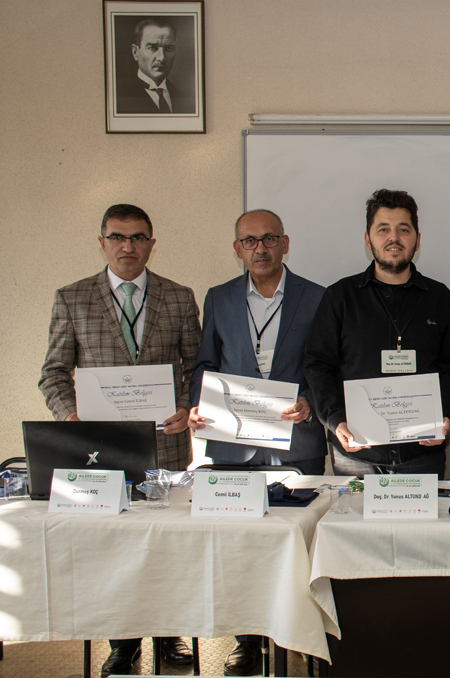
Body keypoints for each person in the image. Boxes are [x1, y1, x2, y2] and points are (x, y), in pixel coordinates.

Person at [38, 203, 199, 677]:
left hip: (166, 444)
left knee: (166, 544)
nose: (128, 246)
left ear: (151, 243)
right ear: (102, 242)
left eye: (138, 237)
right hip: (100, 450)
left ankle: (169, 635)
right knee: (113, 549)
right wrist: (71, 418)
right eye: (117, 237)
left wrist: (185, 407)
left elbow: (196, 367)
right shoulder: (72, 298)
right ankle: (123, 643)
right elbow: (52, 373)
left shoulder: (179, 297)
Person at [187, 209, 327, 676]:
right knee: (240, 547)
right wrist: (199, 405)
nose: (260, 248)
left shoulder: (317, 297)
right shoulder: (220, 297)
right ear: (237, 249)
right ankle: (247, 641)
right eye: (249, 241)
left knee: (296, 546)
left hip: (297, 442)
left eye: (269, 239)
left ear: (285, 243)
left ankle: (296, 634)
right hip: (233, 444)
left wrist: (309, 402)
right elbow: (206, 364)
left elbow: (325, 366)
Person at [304, 189, 450, 477]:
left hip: (421, 453)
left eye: (403, 229)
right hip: (356, 452)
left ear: (417, 239)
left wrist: (444, 415)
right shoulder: (339, 297)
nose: (394, 238)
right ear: (368, 240)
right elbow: (318, 364)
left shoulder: (442, 299)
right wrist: (335, 420)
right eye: (383, 229)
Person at [116, 18, 196, 114]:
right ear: (135, 52)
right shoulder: (118, 99)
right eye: (152, 48)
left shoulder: (188, 100)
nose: (161, 58)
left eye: (168, 49)